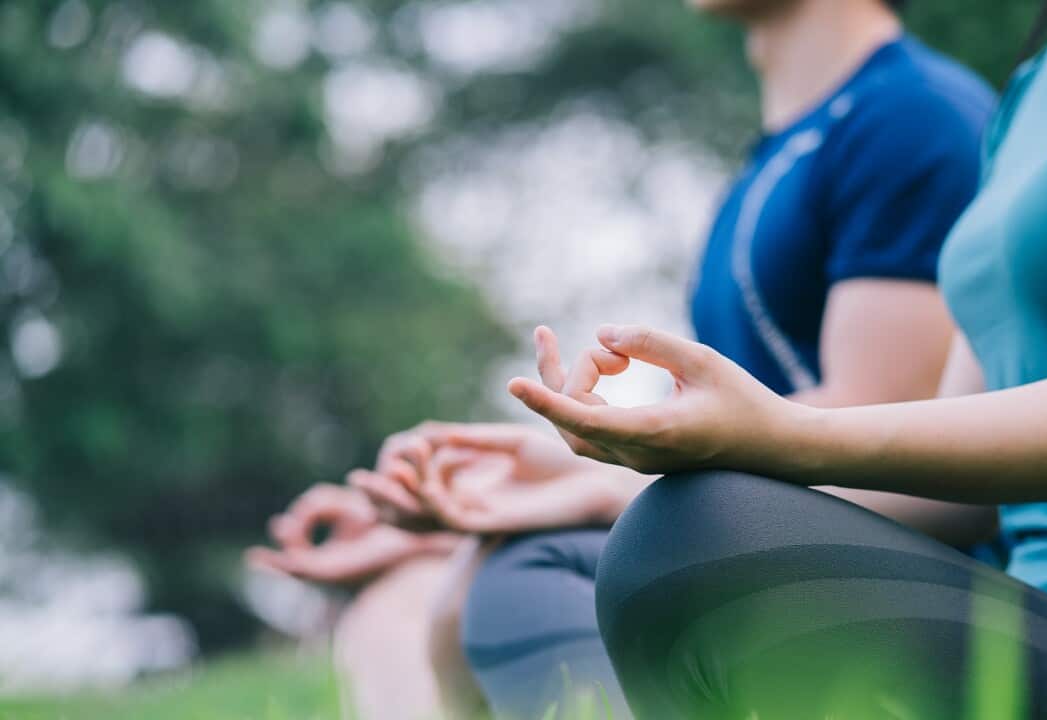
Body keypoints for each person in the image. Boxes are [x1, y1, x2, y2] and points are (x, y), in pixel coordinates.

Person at [510, 0, 1047, 717]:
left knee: (685, 542)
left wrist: (776, 434)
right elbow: (960, 496)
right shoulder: (1039, 78)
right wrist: (684, 453)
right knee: (662, 523)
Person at [252, 0, 995, 716]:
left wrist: (597, 489)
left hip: (887, 577)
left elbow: (885, 428)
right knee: (397, 601)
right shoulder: (787, 149)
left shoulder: (914, 117)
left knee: (503, 579)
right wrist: (476, 499)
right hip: (755, 537)